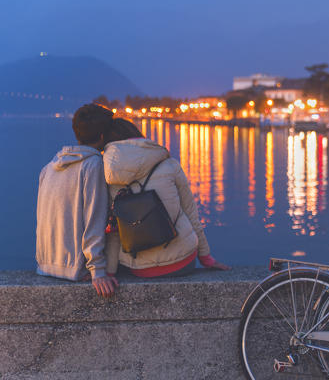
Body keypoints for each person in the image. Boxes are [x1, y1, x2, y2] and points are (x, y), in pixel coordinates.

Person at [103, 118, 230, 277]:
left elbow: (114, 231)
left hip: (138, 268)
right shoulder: (169, 164)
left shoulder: (111, 177)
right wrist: (206, 258)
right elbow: (191, 213)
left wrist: (109, 273)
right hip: (182, 261)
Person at [36, 104, 119, 298]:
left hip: (46, 266)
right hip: (75, 270)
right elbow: (94, 219)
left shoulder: (48, 167)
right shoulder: (93, 165)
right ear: (102, 137)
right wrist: (97, 272)